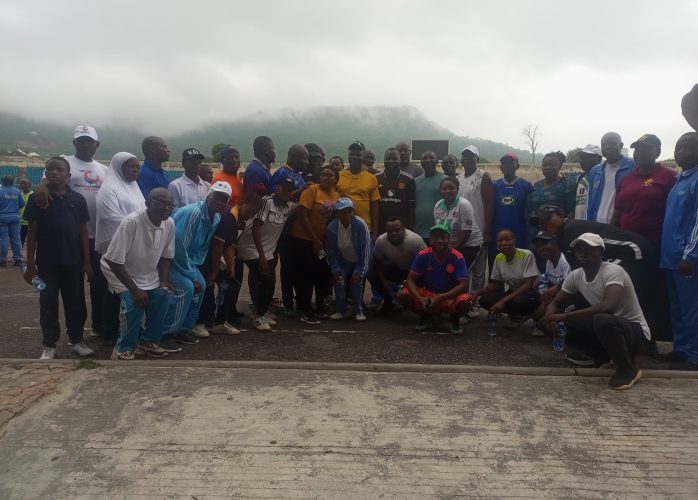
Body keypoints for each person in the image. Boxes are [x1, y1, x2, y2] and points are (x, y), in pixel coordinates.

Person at [536, 204, 667, 341]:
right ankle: (610, 334)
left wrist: (562, 311)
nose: (545, 224)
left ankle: (636, 338)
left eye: (548, 218)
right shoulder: (561, 237)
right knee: (594, 287)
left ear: (561, 215)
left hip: (633, 251)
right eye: (541, 222)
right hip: (624, 252)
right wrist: (557, 291)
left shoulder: (570, 228)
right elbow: (578, 271)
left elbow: (580, 269)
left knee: (607, 292)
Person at [544, 233, 650, 390]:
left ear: (600, 251)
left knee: (602, 319)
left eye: (589, 249)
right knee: (557, 325)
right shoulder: (576, 275)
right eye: (579, 250)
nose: (583, 253)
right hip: (609, 328)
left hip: (636, 334)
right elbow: (555, 302)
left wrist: (563, 316)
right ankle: (603, 355)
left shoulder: (613, 270)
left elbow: (608, 306)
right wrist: (550, 319)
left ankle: (628, 368)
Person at [23, 157, 94, 360]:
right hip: (46, 265)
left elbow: (83, 233)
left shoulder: (78, 200)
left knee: (76, 303)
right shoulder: (37, 199)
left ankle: (76, 340)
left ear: (68, 175)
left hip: (73, 263)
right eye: (50, 169)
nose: (53, 172)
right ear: (45, 174)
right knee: (48, 304)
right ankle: (49, 344)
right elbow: (32, 234)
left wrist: (87, 263)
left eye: (59, 169)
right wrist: (30, 265)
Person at [102, 188, 175, 360]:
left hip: (147, 273)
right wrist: (134, 290)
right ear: (148, 203)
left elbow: (166, 255)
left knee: (163, 296)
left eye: (170, 204)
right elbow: (113, 260)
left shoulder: (169, 223)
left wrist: (163, 281)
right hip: (121, 271)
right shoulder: (132, 222)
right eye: (162, 203)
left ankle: (148, 342)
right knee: (135, 303)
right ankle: (122, 348)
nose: (167, 208)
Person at [164, 181, 232, 345]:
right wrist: (191, 275)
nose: (220, 202)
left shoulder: (216, 217)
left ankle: (184, 329)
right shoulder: (193, 213)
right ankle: (167, 333)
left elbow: (203, 247)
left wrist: (194, 269)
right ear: (208, 196)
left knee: (201, 286)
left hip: (188, 261)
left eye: (224, 200)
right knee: (187, 288)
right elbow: (179, 246)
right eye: (217, 197)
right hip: (168, 258)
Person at [95, 152, 146, 346]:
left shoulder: (133, 186)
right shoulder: (109, 189)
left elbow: (143, 211)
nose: (135, 170)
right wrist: (139, 227)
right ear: (118, 167)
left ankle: (128, 329)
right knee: (114, 289)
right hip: (115, 245)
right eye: (131, 166)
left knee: (127, 288)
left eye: (137, 167)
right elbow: (110, 218)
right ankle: (109, 332)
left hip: (133, 244)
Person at [237, 178, 297, 331]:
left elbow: (303, 208)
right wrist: (261, 255)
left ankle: (261, 311)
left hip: (268, 250)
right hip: (251, 248)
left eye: (290, 190)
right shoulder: (267, 202)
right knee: (267, 280)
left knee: (269, 283)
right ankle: (259, 316)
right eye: (284, 188)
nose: (287, 192)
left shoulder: (288, 207)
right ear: (278, 188)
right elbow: (256, 228)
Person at [660, 132, 698, 370]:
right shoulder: (680, 180)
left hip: (687, 259)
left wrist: (690, 256)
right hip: (670, 257)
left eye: (688, 147)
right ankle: (681, 349)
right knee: (677, 307)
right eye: (678, 147)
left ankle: (694, 356)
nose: (681, 152)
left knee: (692, 308)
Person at [398, 224, 472, 335]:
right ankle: (425, 315)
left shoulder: (457, 257)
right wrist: (420, 299)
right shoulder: (423, 255)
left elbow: (464, 284)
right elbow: (410, 279)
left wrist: (440, 297)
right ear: (430, 240)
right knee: (402, 295)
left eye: (443, 237)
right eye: (436, 238)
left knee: (465, 302)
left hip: (449, 295)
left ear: (449, 239)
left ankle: (454, 317)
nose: (440, 241)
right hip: (428, 293)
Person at [289, 166, 340, 323]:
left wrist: (324, 241)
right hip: (303, 239)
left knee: (322, 274)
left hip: (322, 242)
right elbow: (302, 215)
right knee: (306, 275)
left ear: (336, 179)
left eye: (329, 175)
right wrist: (314, 239)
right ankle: (304, 309)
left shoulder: (336, 196)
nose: (325, 178)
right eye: (323, 175)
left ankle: (320, 307)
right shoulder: (312, 190)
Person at [611, 134, 677, 250]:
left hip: (653, 244)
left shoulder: (670, 176)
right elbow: (617, 212)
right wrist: (611, 237)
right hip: (625, 243)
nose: (640, 152)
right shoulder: (626, 179)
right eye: (637, 149)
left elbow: (676, 213)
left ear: (658, 152)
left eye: (646, 149)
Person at [270, 144, 308, 315]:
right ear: (292, 156)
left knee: (298, 266)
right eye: (303, 158)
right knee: (287, 267)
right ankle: (287, 302)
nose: (306, 162)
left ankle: (300, 300)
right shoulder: (281, 174)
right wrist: (301, 191)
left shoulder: (298, 175)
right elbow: (275, 199)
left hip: (297, 229)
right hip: (283, 229)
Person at [472, 229, 540, 323]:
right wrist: (477, 293)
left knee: (518, 302)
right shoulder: (499, 258)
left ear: (515, 241)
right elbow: (496, 284)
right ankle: (513, 313)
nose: (504, 243)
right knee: (484, 300)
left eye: (508, 239)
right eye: (500, 240)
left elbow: (528, 285)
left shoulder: (526, 255)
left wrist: (503, 301)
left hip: (530, 293)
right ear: (496, 243)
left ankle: (528, 313)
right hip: (513, 292)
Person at [433, 176, 485, 293]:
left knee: (464, 273)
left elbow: (466, 232)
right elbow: (439, 230)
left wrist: (450, 251)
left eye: (451, 188)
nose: (447, 191)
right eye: (444, 188)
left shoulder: (464, 204)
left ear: (457, 189)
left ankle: (473, 300)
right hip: (451, 246)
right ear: (440, 190)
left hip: (471, 244)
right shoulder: (438, 205)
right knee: (452, 273)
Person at [326, 197, 372, 321]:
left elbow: (366, 251)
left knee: (356, 283)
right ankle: (341, 310)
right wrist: (335, 269)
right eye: (343, 211)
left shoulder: (360, 224)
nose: (347, 214)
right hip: (344, 260)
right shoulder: (332, 227)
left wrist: (360, 272)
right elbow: (331, 252)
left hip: (359, 260)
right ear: (337, 213)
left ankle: (359, 310)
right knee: (339, 281)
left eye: (349, 211)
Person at [372, 217, 426, 311]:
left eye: (397, 230)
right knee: (371, 272)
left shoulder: (414, 240)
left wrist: (409, 282)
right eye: (390, 231)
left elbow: (426, 261)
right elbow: (377, 261)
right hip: (397, 267)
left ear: (404, 229)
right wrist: (383, 280)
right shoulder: (380, 241)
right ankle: (389, 303)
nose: (394, 233)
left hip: (415, 271)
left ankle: (422, 305)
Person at [491, 153, 533, 269]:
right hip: (498, 234)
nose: (508, 167)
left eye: (511, 164)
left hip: (519, 234)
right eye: (505, 164)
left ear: (517, 166)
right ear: (501, 168)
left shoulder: (527, 186)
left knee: (519, 269)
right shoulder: (495, 186)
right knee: (497, 269)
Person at [525, 151, 576, 245]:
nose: (548, 167)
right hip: (533, 234)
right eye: (545, 165)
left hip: (554, 236)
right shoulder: (537, 185)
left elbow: (572, 212)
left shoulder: (568, 184)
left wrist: (564, 232)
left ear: (560, 166)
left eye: (552, 165)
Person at [335, 141, 380, 240]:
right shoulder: (338, 176)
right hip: (343, 227)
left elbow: (374, 206)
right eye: (351, 154)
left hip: (365, 227)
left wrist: (375, 232)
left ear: (363, 157)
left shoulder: (371, 178)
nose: (354, 157)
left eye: (358, 155)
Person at [586, 132, 635, 223]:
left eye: (612, 143)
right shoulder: (595, 171)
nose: (608, 147)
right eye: (604, 145)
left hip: (620, 225)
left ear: (621, 145)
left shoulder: (633, 167)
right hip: (596, 224)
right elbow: (590, 201)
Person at [531, 230, 570, 335]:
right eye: (538, 246)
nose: (541, 248)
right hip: (554, 295)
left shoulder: (565, 261)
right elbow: (546, 278)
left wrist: (551, 302)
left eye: (545, 244)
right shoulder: (549, 261)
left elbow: (569, 285)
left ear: (555, 243)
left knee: (544, 318)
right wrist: (540, 284)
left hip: (567, 297)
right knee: (537, 286)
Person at [457, 145, 494, 246]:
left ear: (477, 159)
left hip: (478, 228)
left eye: (471, 156)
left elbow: (490, 204)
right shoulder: (458, 178)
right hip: (461, 229)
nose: (467, 159)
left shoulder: (483, 176)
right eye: (465, 156)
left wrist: (487, 231)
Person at [376, 147, 415, 233]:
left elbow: (411, 207)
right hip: (381, 226)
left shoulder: (409, 179)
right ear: (384, 160)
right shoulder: (376, 178)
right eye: (388, 158)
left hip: (401, 228)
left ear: (400, 160)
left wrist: (410, 229)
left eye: (394, 158)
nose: (391, 161)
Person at [413, 150, 446, 244]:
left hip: (439, 231)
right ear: (421, 162)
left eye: (431, 158)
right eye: (425, 158)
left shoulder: (445, 180)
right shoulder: (415, 182)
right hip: (418, 231)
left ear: (437, 161)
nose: (428, 160)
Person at [0, 175, 24, 266]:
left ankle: (2, 260)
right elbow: (22, 204)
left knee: (3, 239)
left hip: (2, 217)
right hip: (15, 217)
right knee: (16, 238)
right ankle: (18, 259)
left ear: (3, 182)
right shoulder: (17, 191)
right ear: (12, 182)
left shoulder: (0, 191)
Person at [574, 145, 602, 220]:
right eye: (581, 158)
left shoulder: (603, 177)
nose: (582, 161)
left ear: (598, 159)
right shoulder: (580, 178)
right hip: (580, 223)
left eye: (586, 158)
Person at [212, 145, 244, 209]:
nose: (234, 160)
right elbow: (217, 209)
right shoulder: (219, 181)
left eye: (236, 157)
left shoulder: (237, 177)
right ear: (222, 161)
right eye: (230, 158)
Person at [18, 178, 32, 248]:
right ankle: (19, 253)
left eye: (24, 183)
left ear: (29, 185)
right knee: (20, 240)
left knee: (31, 240)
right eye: (21, 183)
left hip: (30, 222)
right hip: (20, 222)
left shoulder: (33, 195)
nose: (22, 185)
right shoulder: (19, 195)